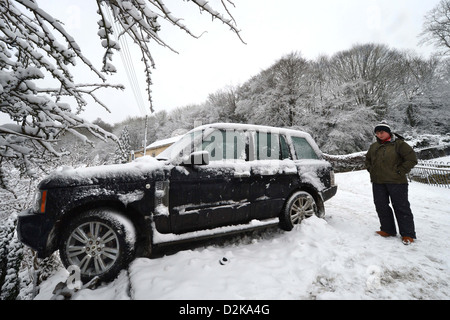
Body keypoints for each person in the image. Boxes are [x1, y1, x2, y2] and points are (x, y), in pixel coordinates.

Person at [365, 122, 418, 245]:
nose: (379, 135)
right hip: (378, 182)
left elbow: (411, 159)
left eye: (382, 132)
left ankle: (407, 234)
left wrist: (400, 171)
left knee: (401, 207)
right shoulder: (374, 146)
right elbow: (367, 160)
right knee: (381, 206)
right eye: (377, 133)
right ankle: (388, 230)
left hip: (397, 182)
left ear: (388, 132)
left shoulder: (399, 145)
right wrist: (371, 169)